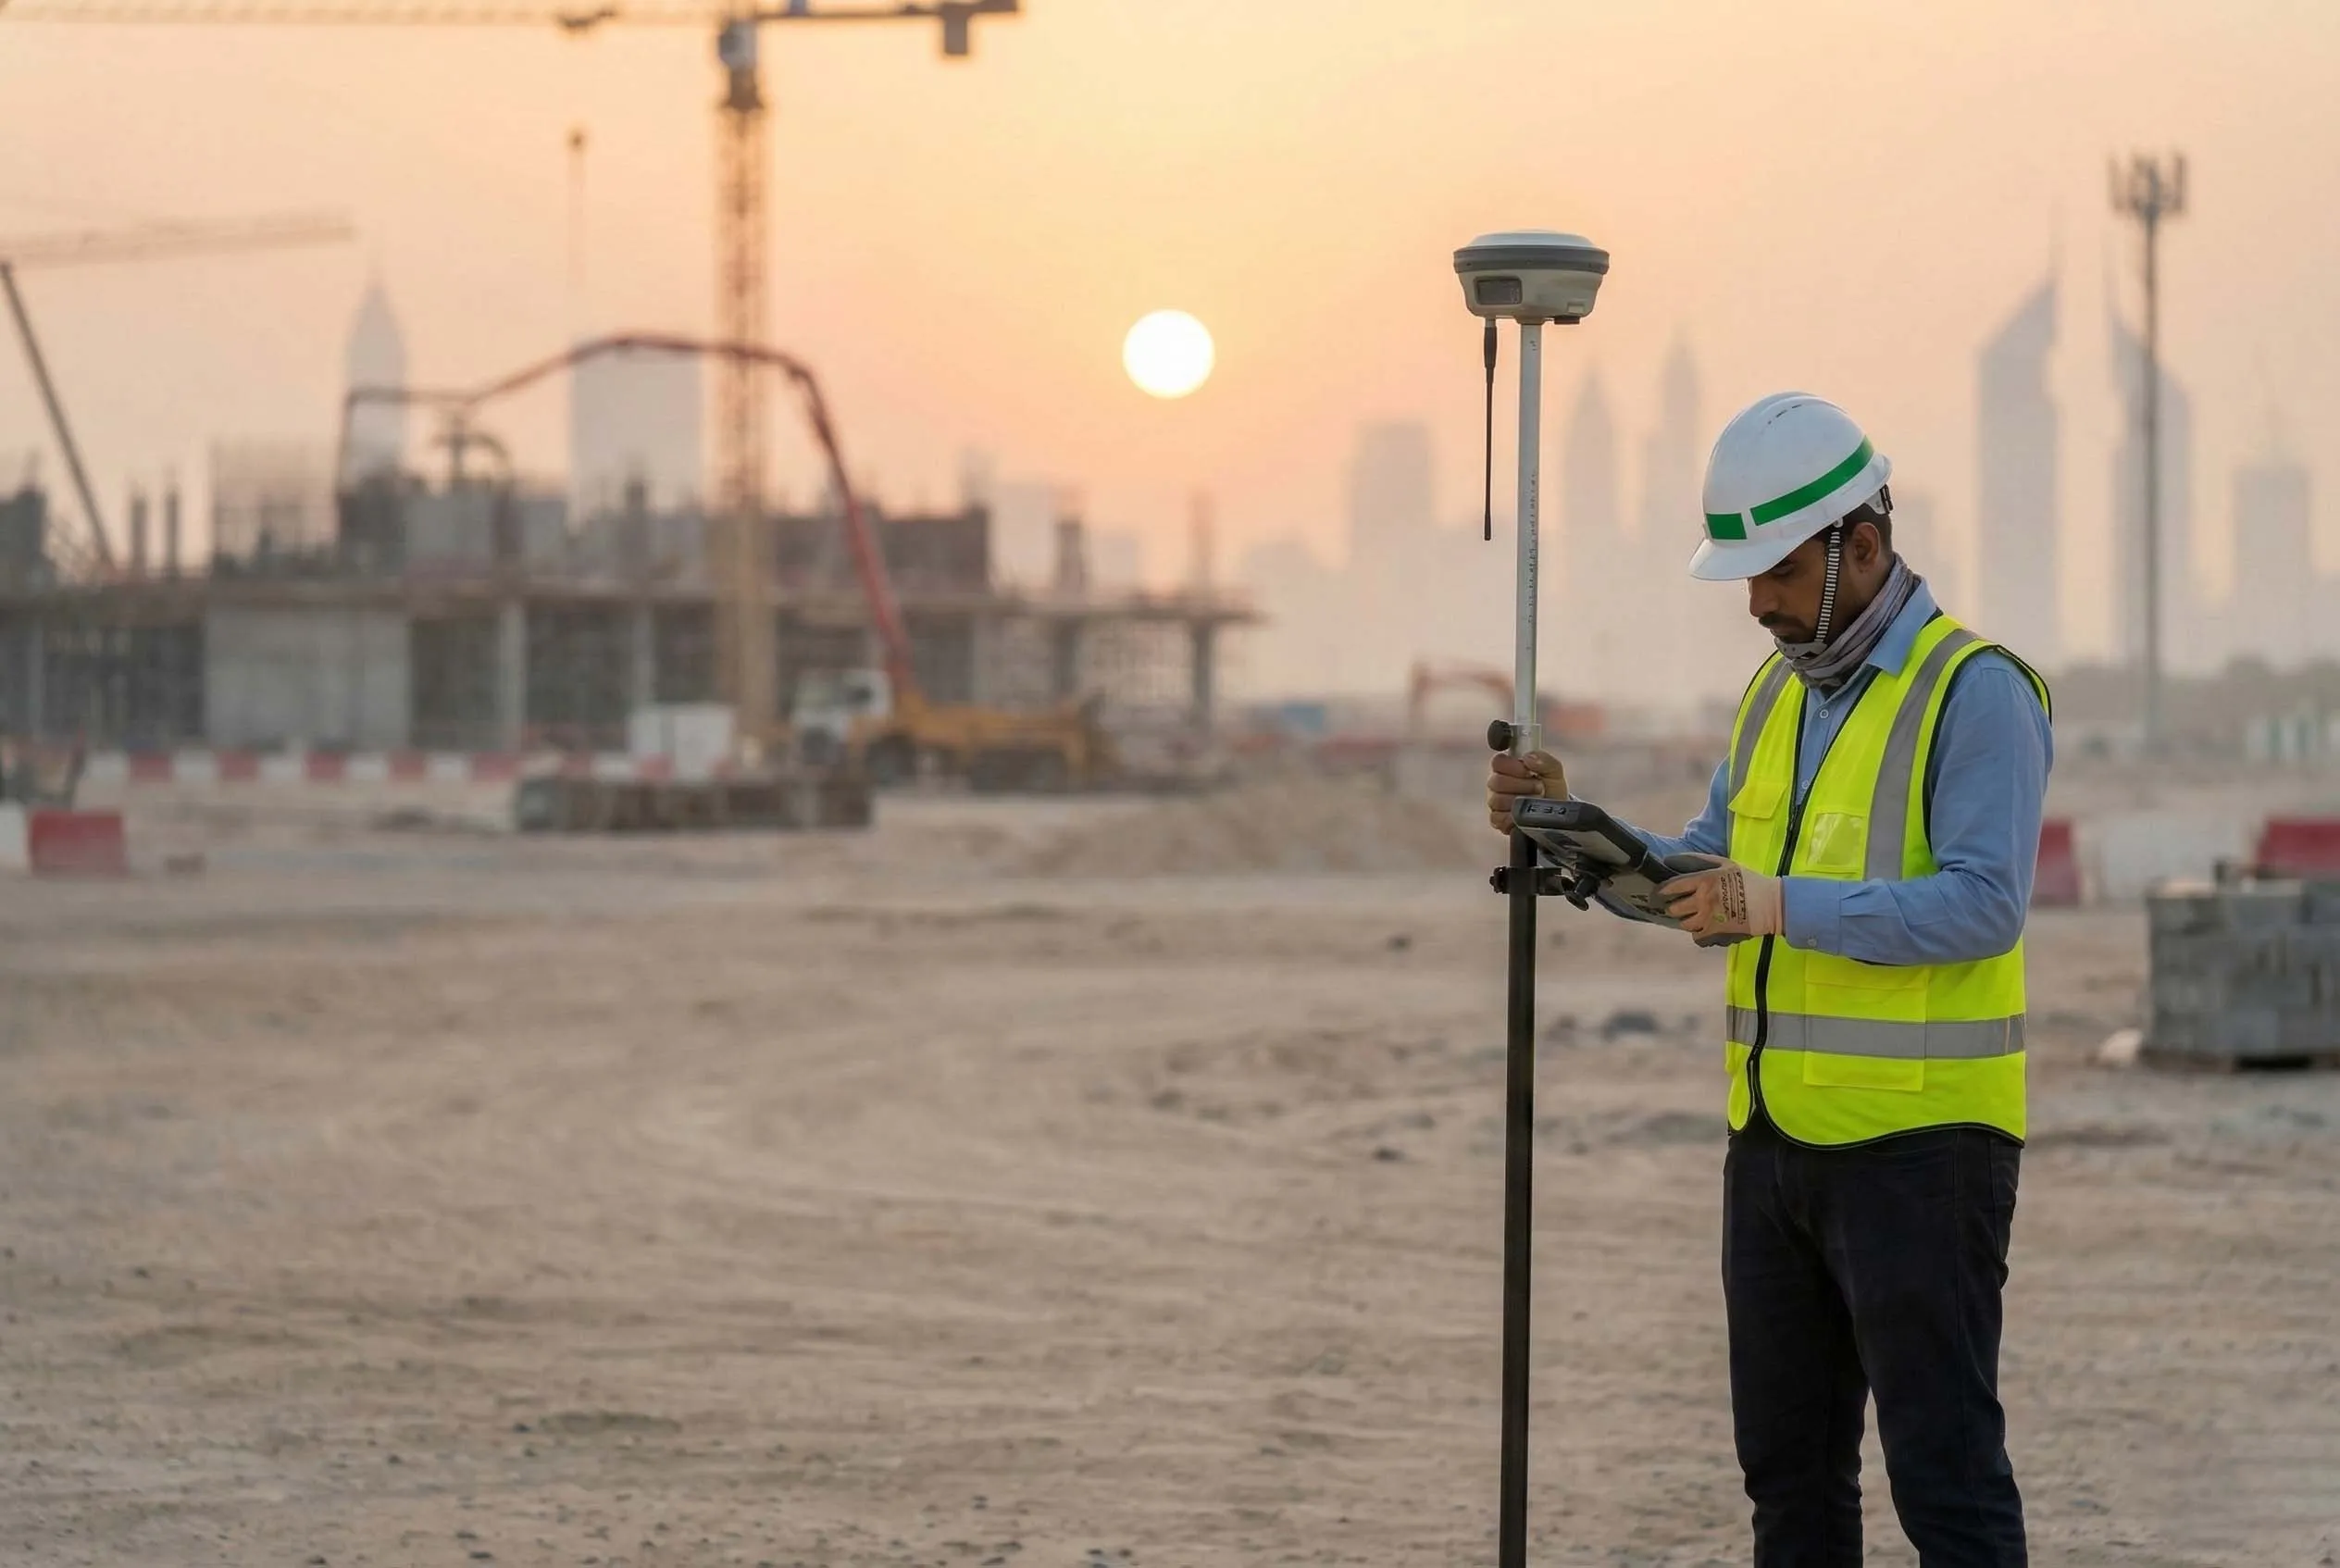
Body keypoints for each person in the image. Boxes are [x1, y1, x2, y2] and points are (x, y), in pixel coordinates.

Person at [1486, 392, 2051, 1568]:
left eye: (1780, 573)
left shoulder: (1975, 689)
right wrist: (1572, 832)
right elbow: (1703, 869)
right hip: (1772, 1150)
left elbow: (1983, 902)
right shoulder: (1773, 696)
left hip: (1921, 1154)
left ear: (1862, 542)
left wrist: (1774, 903)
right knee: (1788, 1489)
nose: (1757, 604)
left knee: (1944, 1481)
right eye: (1746, 579)